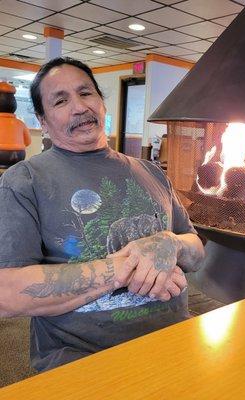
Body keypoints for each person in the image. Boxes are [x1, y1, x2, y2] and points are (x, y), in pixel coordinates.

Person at [0, 57, 204, 372]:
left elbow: (196, 247)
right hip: (84, 359)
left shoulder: (151, 172)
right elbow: (7, 294)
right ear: (42, 120)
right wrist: (123, 267)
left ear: (102, 104)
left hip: (177, 339)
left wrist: (171, 244)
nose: (79, 107)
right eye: (60, 100)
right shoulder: (24, 180)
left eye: (86, 93)